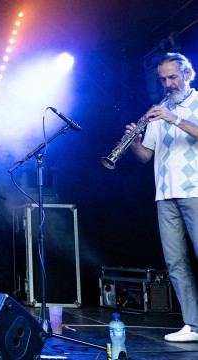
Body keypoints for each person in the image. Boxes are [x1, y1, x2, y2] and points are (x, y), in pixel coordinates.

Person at [128, 52, 198, 342]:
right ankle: (193, 325)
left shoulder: (193, 102)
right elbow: (146, 156)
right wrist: (134, 141)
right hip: (165, 193)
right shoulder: (158, 109)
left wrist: (174, 117)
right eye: (163, 79)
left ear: (187, 74)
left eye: (173, 76)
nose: (168, 83)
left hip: (195, 189)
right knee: (175, 262)